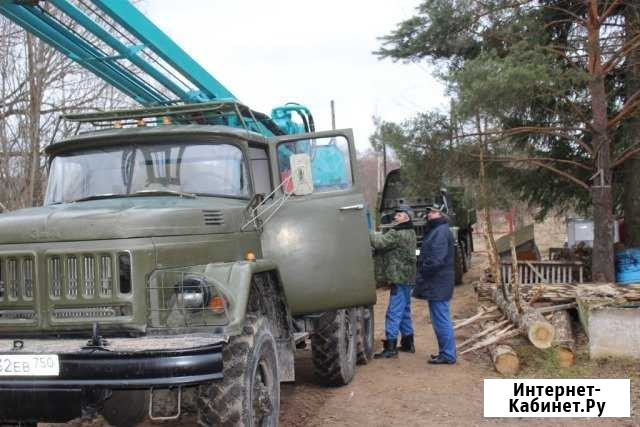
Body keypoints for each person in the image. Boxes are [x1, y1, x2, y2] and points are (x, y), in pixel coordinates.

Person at [369, 207, 417, 359]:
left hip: (399, 278)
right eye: (396, 214)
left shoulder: (397, 233)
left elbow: (379, 243)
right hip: (408, 277)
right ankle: (408, 343)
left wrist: (368, 230)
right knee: (404, 311)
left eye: (400, 215)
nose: (396, 217)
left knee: (393, 312)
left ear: (407, 218)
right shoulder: (410, 232)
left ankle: (390, 347)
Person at [413, 204, 457, 364]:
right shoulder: (438, 231)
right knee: (440, 318)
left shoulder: (440, 232)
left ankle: (448, 355)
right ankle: (445, 353)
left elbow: (436, 260)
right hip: (438, 283)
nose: (429, 215)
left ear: (441, 215)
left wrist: (423, 271)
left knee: (441, 319)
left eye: (433, 212)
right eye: (429, 212)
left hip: (438, 282)